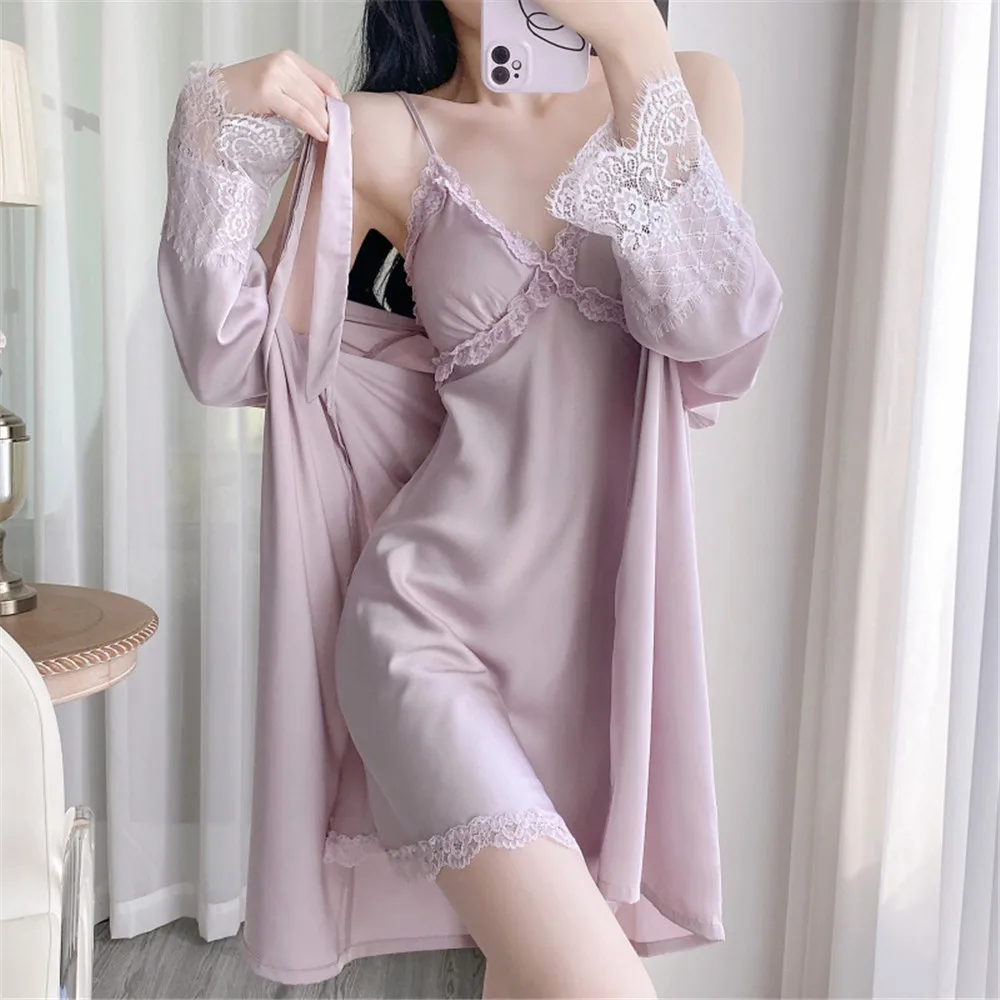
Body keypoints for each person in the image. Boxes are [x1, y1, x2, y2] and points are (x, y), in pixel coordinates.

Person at [158, 1, 783, 996]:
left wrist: (631, 41)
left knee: (532, 976)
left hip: (596, 662)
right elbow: (230, 356)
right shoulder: (384, 132)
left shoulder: (687, 85)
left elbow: (717, 333)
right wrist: (212, 123)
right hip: (423, 634)